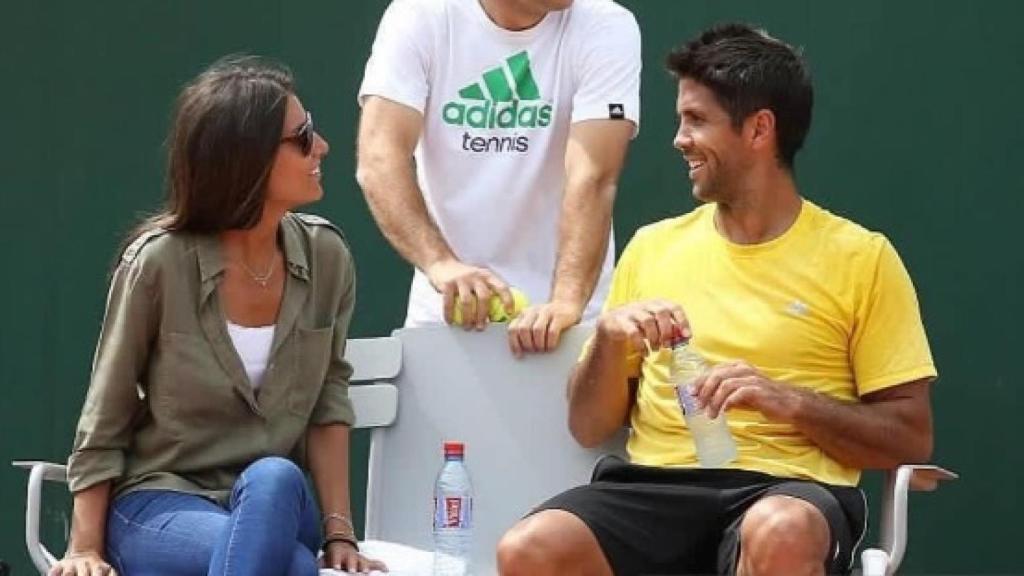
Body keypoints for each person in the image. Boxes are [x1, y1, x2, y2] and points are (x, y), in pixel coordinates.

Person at [497, 24, 937, 576]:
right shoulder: (652, 247)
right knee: (531, 548)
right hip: (655, 491)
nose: (679, 138)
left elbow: (911, 438)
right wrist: (609, 340)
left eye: (696, 120)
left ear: (759, 129)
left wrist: (786, 400)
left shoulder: (863, 257)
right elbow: (588, 426)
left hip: (785, 491)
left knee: (778, 530)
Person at [53, 56, 386, 576]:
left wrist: (339, 531)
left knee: (275, 475)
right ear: (246, 158)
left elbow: (328, 400)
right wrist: (84, 547)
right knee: (294, 570)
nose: (321, 147)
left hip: (279, 501)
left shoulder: (327, 257)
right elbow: (107, 410)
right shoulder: (159, 263)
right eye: (303, 137)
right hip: (163, 500)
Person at [355, 0, 641, 355]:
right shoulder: (419, 14)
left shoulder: (607, 23)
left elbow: (593, 176)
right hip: (446, 320)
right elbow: (380, 157)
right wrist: (440, 264)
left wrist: (565, 304)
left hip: (571, 323)